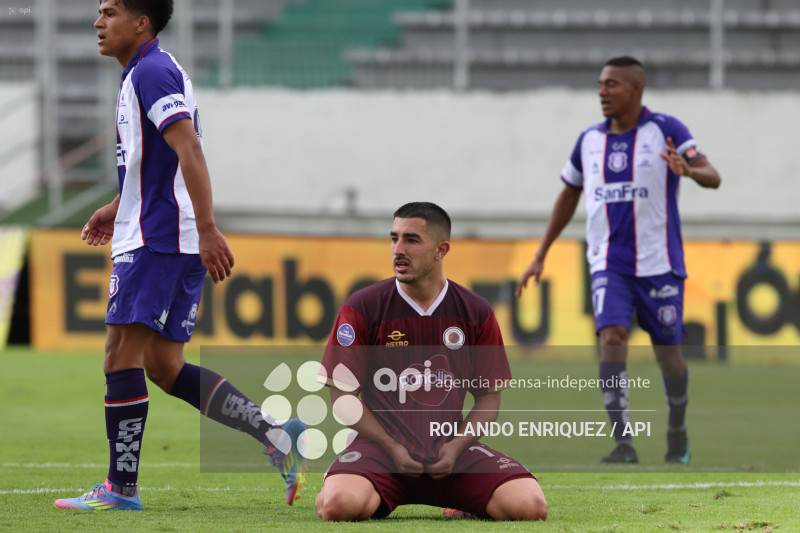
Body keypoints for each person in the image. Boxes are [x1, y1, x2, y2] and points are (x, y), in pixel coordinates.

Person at [54, 0, 305, 511]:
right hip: (163, 231)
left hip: (159, 239)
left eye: (109, 12)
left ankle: (120, 489)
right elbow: (157, 164)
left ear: (141, 22)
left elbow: (189, 149)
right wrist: (115, 206)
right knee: (165, 367)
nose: (97, 22)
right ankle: (277, 436)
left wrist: (209, 228)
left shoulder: (152, 71)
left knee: (118, 357)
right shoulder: (144, 72)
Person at [516, 56, 721, 464]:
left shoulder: (666, 129)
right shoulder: (588, 141)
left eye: (611, 84)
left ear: (635, 89)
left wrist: (689, 171)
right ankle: (623, 442)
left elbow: (713, 174)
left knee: (669, 354)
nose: (602, 91)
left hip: (660, 263)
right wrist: (541, 254)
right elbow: (568, 194)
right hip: (609, 262)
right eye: (600, 84)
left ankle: (677, 429)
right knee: (611, 337)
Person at [314, 202, 548, 521]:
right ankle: (339, 481)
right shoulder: (362, 307)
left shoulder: (476, 312)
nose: (398, 249)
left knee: (530, 508)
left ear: (441, 249)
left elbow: (489, 399)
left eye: (411, 240)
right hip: (381, 453)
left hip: (451, 455)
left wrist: (457, 445)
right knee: (338, 507)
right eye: (393, 238)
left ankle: (460, 500)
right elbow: (342, 397)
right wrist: (390, 446)